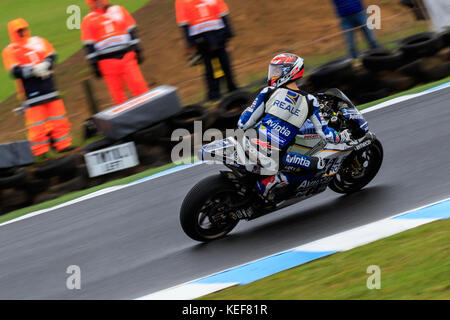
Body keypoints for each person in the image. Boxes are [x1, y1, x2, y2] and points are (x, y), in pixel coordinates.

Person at [237, 53, 351, 201]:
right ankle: (275, 180)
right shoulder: (310, 101)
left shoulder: (268, 92)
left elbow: (243, 123)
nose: (273, 74)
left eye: (277, 71)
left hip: (248, 143)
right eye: (273, 70)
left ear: (289, 72)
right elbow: (325, 134)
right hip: (276, 155)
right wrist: (342, 136)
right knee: (319, 165)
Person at [2, 18, 73, 158]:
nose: (22, 32)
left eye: (23, 29)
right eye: (18, 31)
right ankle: (41, 151)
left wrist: (46, 64)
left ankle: (63, 145)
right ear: (13, 33)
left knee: (59, 118)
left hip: (49, 88)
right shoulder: (10, 51)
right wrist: (33, 70)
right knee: (37, 125)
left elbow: (52, 55)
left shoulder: (38, 41)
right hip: (30, 93)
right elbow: (14, 72)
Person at [81, 0, 149, 105]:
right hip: (106, 62)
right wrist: (94, 64)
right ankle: (126, 120)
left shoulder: (119, 10)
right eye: (95, 1)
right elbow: (89, 45)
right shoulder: (88, 19)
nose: (98, 2)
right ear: (90, 3)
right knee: (118, 95)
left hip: (127, 56)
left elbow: (131, 31)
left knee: (139, 86)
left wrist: (137, 49)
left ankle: (149, 112)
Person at [175, 0, 238, 101]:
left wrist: (228, 33)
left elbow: (222, 12)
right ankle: (214, 93)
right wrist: (190, 43)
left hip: (215, 34)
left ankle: (230, 87)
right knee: (210, 67)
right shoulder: (182, 1)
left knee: (224, 62)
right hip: (202, 37)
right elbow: (184, 22)